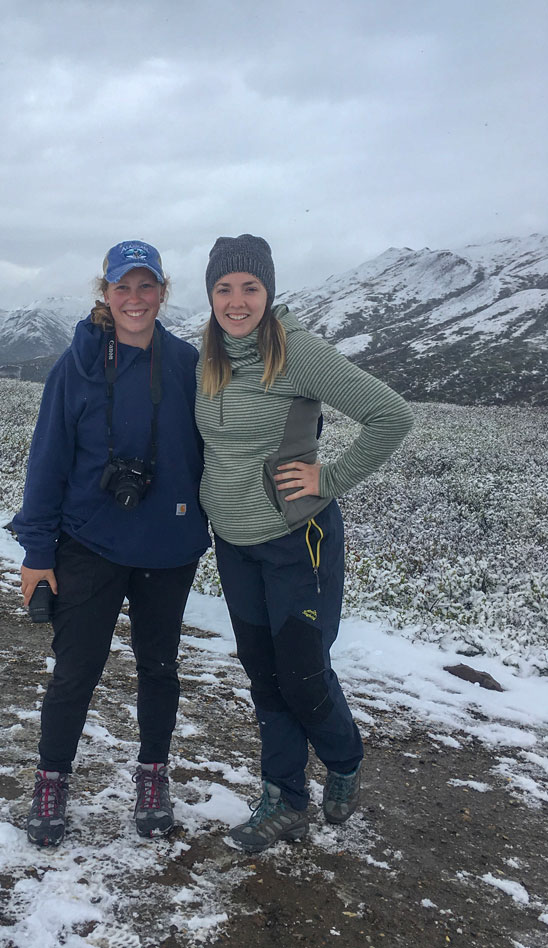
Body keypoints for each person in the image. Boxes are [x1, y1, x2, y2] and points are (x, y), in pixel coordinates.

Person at [194, 234, 413, 854]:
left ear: (269, 291)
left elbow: (391, 416)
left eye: (250, 287)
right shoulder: (207, 359)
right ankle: (285, 799)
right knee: (264, 676)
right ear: (210, 295)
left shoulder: (297, 353)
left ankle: (343, 760)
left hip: (298, 540)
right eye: (224, 288)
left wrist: (330, 478)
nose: (237, 301)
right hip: (235, 545)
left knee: (303, 674)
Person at [12, 240, 209, 846]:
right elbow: (47, 461)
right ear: (106, 293)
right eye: (123, 287)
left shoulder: (188, 364)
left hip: (169, 548)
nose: (134, 298)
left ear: (162, 293)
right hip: (88, 543)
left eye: (146, 287)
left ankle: (153, 776)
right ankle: (51, 780)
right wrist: (37, 552)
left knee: (159, 669)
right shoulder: (75, 366)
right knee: (75, 672)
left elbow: (227, 439)